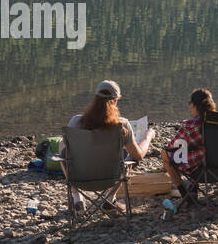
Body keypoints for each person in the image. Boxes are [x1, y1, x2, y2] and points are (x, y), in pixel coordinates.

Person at [65, 80, 154, 211]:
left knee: (63, 148)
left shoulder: (75, 122)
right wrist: (148, 137)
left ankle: (77, 198)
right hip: (111, 178)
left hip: (80, 178)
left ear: (95, 98)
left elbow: (67, 154)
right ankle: (110, 198)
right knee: (126, 157)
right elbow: (138, 156)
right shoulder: (122, 125)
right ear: (116, 100)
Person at [161, 88, 215, 191]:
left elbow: (172, 146)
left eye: (190, 103)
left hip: (199, 168)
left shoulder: (190, 125)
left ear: (194, 105)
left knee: (165, 153)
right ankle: (193, 187)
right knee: (195, 150)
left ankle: (183, 191)